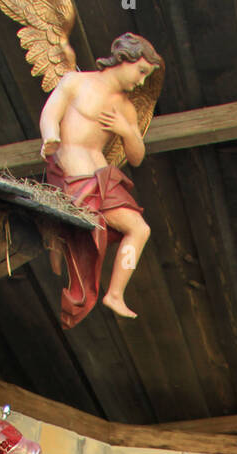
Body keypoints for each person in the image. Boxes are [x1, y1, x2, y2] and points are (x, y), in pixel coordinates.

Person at [40, 33, 162, 325]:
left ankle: (115, 294)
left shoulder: (126, 108)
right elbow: (50, 114)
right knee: (86, 235)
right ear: (124, 59)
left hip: (102, 178)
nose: (142, 82)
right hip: (72, 174)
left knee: (140, 229)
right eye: (141, 72)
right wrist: (50, 137)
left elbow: (136, 157)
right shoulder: (75, 83)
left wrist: (127, 131)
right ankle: (56, 240)